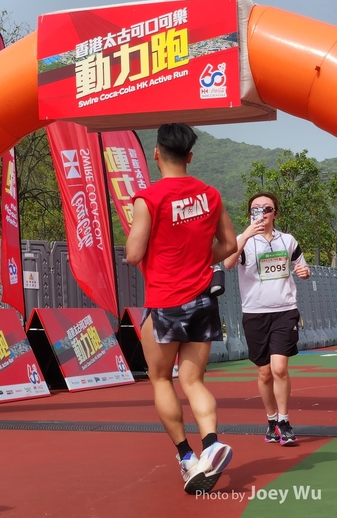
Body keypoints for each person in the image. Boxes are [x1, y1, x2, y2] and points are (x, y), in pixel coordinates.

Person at [125, 123, 237, 495]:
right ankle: (212, 444)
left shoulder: (148, 198)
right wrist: (200, 258)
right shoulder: (210, 194)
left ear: (156, 153)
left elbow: (133, 254)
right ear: (190, 156)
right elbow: (230, 244)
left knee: (161, 379)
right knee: (194, 381)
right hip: (203, 300)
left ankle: (187, 456)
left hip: (165, 302)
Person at [224, 191, 311, 446]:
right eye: (256, 209)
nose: (261, 213)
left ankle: (284, 421)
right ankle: (272, 421)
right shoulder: (243, 240)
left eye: (267, 209)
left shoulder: (288, 241)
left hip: (285, 310)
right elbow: (228, 263)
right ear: (250, 214)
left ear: (275, 214)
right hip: (255, 313)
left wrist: (304, 272)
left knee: (279, 368)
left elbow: (302, 268)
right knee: (264, 373)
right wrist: (245, 236)